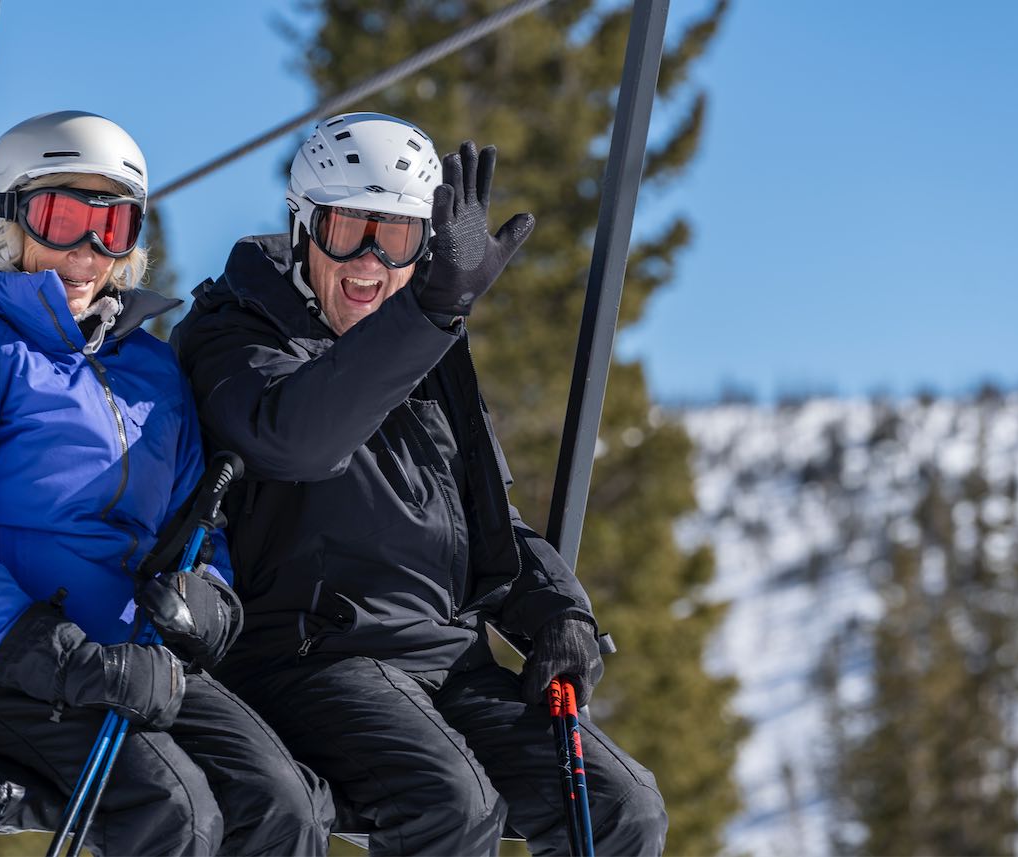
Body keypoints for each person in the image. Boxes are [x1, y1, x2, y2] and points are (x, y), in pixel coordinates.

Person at [171, 111, 666, 855]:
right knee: (452, 804)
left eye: (396, 236)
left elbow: (492, 519)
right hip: (309, 658)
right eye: (348, 229)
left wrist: (562, 612)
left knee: (622, 804)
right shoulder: (233, 336)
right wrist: (431, 313)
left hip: (447, 661)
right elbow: (299, 439)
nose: (369, 260)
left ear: (425, 250)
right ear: (304, 225)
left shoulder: (431, 354)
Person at [0, 111, 334, 856]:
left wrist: (208, 599)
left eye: (112, 226)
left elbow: (196, 525)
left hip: (135, 664)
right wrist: (56, 653)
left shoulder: (150, 369)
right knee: (176, 809)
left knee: (284, 801)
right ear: (7, 219)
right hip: (1, 670)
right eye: (62, 217)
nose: (87, 251)